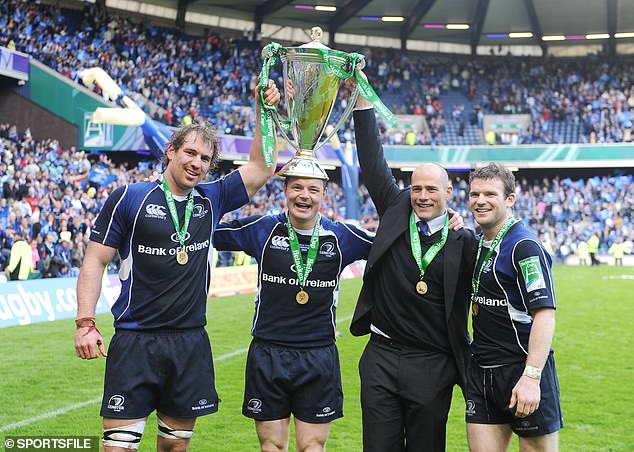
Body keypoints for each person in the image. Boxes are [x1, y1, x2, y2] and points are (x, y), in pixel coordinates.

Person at [74, 81, 280, 452]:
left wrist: (264, 112)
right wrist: (86, 322)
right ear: (170, 151)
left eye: (204, 159)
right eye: (189, 152)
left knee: (174, 448)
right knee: (118, 447)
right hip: (135, 340)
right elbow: (95, 260)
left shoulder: (212, 198)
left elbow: (263, 166)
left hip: (189, 343)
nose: (196, 163)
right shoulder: (129, 198)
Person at [350, 77, 478, 451]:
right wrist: (362, 99)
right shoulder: (394, 209)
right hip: (382, 357)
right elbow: (372, 160)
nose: (422, 196)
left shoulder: (463, 241)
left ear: (449, 193)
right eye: (416, 188)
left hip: (434, 362)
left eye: (431, 189)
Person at [213, 172, 374, 452]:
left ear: (324, 195)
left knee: (312, 446)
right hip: (268, 353)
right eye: (297, 187)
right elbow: (207, 230)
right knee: (272, 446)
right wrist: (176, 194)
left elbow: (394, 241)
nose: (304, 195)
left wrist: (448, 219)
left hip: (318, 355)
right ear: (285, 190)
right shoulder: (262, 229)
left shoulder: (341, 236)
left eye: (313, 189)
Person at [466, 163, 563, 452]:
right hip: (482, 372)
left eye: (489, 194)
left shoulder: (524, 246)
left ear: (510, 199)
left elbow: (544, 314)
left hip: (522, 371)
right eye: (474, 194)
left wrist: (531, 377)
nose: (480, 201)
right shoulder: (479, 243)